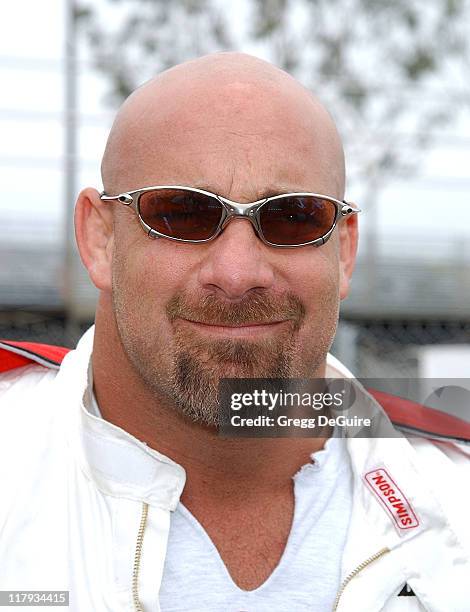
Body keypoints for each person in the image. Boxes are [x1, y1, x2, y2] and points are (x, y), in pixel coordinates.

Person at [0, 52, 469, 612]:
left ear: (344, 251)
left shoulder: (454, 503)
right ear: (100, 239)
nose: (238, 275)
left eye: (294, 217)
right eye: (181, 214)